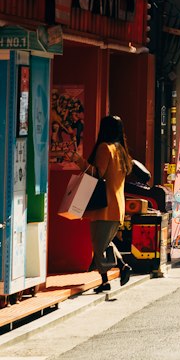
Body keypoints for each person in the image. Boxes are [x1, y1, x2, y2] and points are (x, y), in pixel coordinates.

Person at [74, 114, 134, 294]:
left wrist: (78, 160)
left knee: (99, 245)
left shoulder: (104, 148)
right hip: (117, 205)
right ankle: (112, 275)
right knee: (105, 243)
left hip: (104, 205)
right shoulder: (122, 151)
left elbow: (96, 173)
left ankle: (116, 271)